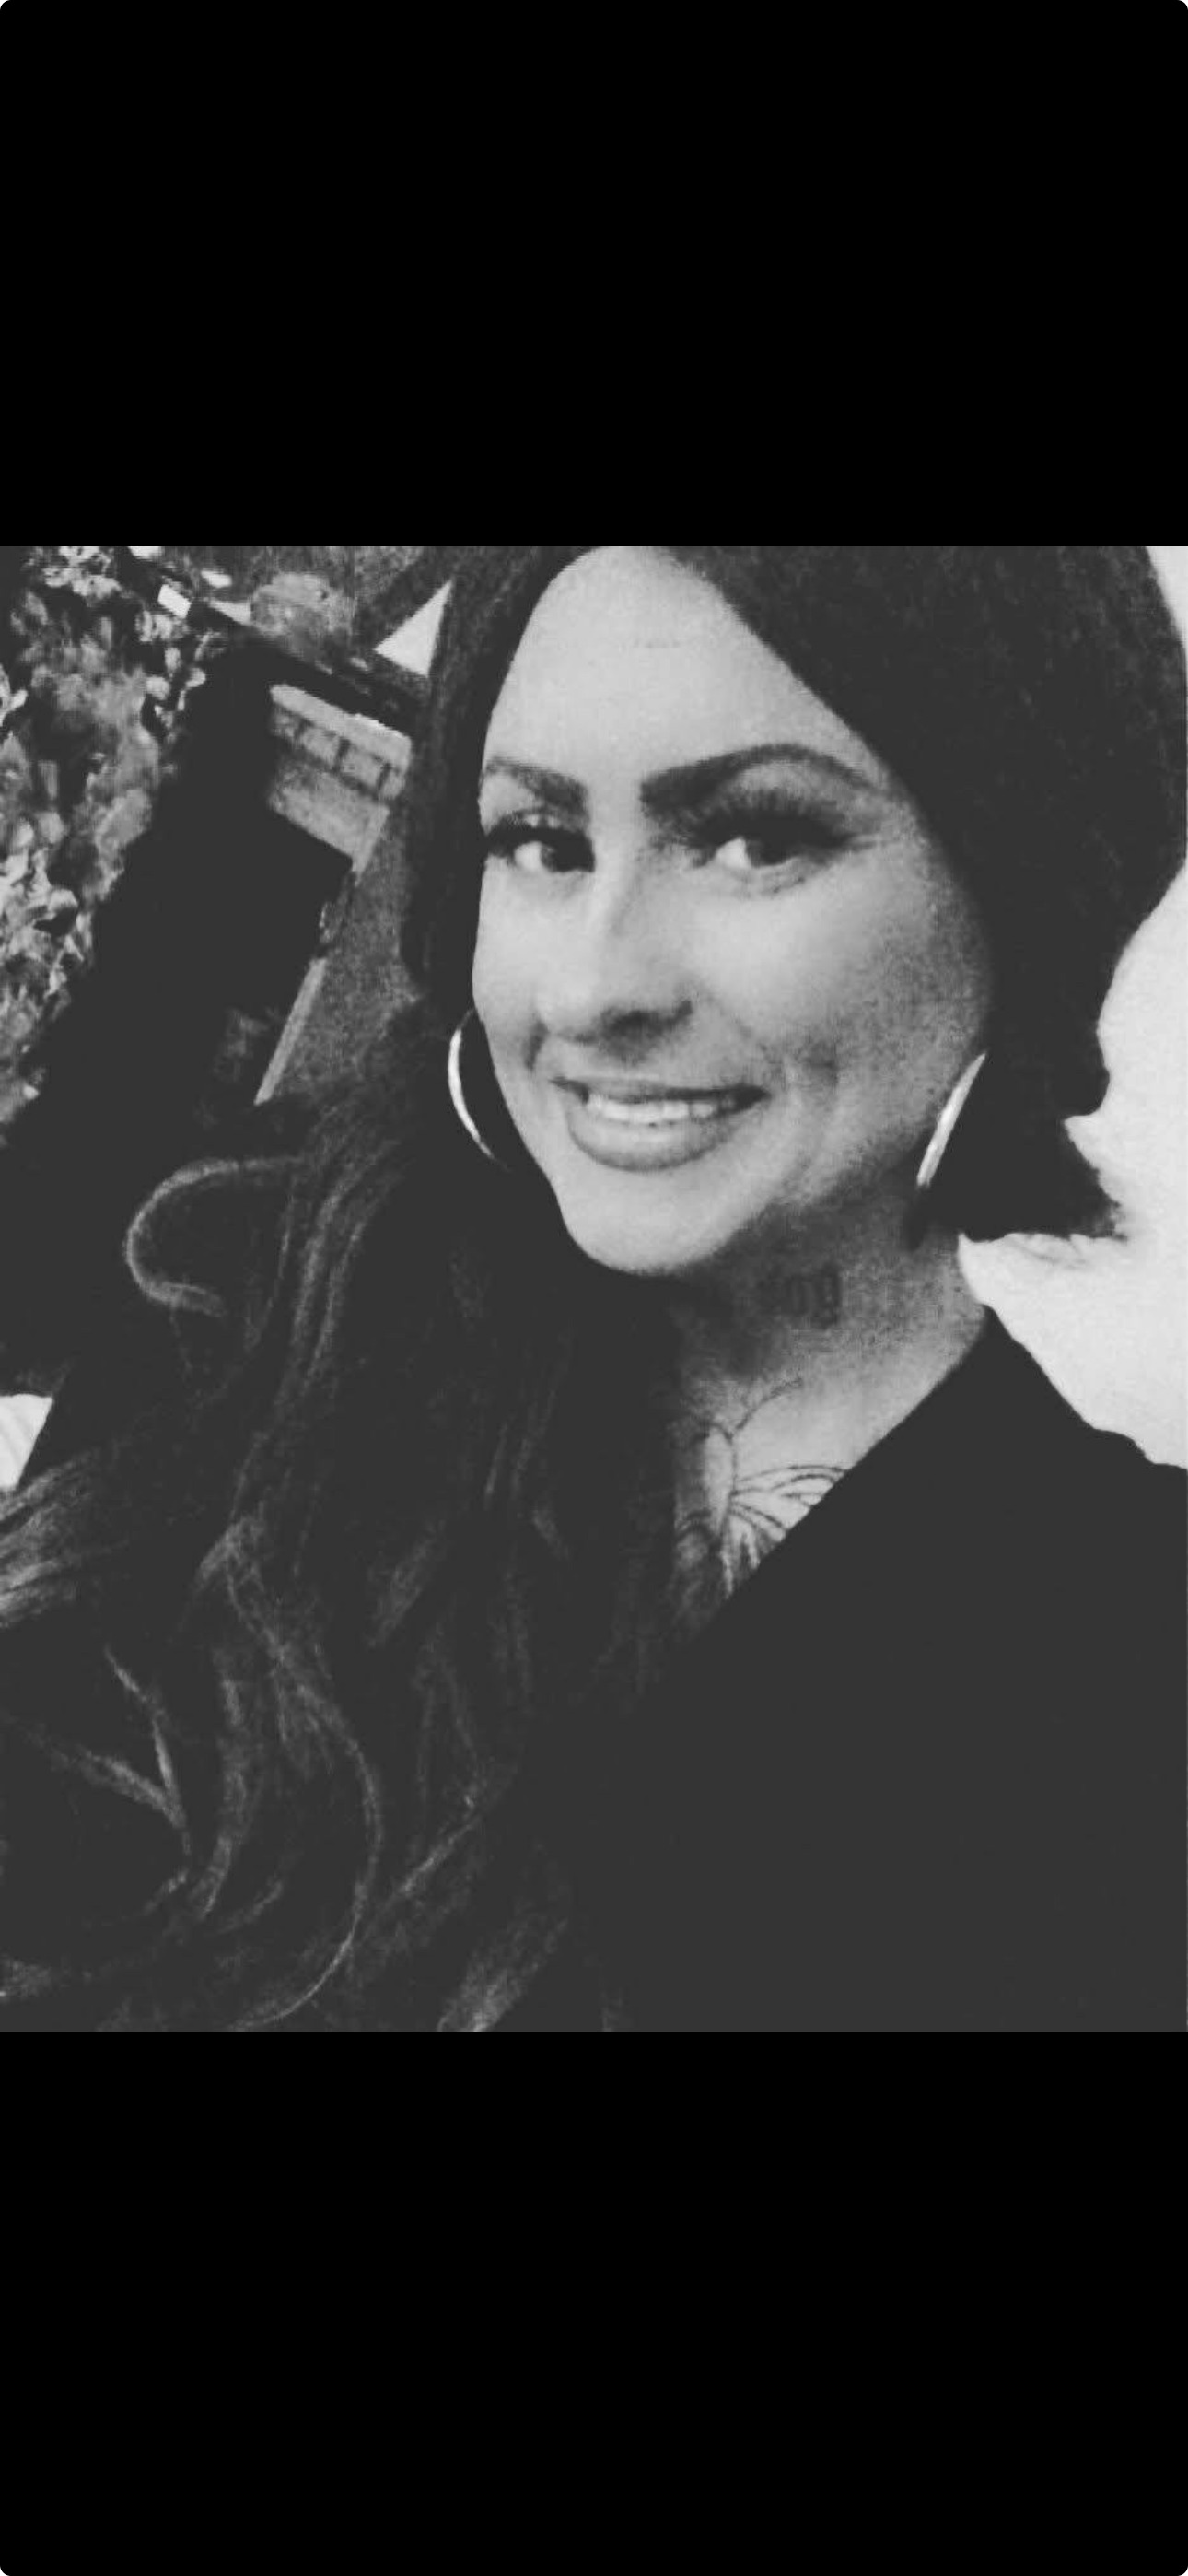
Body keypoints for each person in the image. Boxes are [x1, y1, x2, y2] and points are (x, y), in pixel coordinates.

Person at [0, 545, 1183, 2032]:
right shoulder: (247, 1285)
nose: (589, 987)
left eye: (754, 836)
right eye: (540, 840)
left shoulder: (1130, 1668)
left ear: (1024, 901)